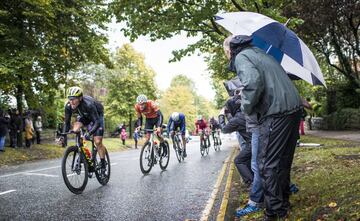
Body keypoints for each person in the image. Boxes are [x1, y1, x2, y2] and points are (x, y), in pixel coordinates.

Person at [224, 35, 302, 220]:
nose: (226, 56)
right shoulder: (260, 53)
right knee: (282, 162)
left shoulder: (242, 57)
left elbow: (252, 83)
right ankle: (283, 204)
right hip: (293, 109)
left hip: (276, 112)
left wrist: (245, 107)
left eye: (225, 53)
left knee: (266, 164)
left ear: (229, 50)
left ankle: (274, 212)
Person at [61, 86, 108, 175]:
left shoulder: (88, 104)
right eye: (70, 99)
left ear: (80, 98)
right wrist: (63, 136)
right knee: (75, 129)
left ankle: (103, 163)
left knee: (97, 141)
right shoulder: (68, 106)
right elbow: (67, 122)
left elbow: (96, 122)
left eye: (74, 99)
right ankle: (81, 150)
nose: (71, 101)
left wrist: (89, 133)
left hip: (97, 116)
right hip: (84, 116)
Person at [219, 96, 253, 187]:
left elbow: (224, 129)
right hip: (263, 139)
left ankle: (251, 182)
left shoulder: (236, 120)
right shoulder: (248, 112)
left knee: (239, 160)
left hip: (252, 144)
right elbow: (235, 122)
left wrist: (221, 116)